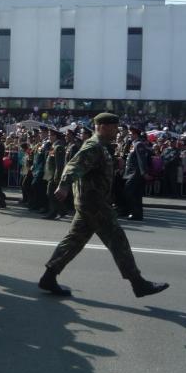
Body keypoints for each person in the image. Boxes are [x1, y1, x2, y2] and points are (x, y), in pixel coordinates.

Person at [38, 112, 169, 299]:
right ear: (103, 127)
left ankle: (49, 277)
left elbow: (94, 168)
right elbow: (74, 165)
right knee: (118, 240)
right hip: (94, 203)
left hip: (90, 202)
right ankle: (138, 283)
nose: (116, 132)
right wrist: (64, 184)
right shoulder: (94, 146)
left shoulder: (102, 147)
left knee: (74, 241)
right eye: (114, 128)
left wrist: (116, 161)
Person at [122, 126, 152, 221]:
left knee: (131, 192)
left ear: (135, 134)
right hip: (132, 173)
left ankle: (135, 213)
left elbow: (141, 160)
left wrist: (144, 173)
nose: (129, 135)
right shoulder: (133, 144)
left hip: (135, 173)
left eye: (131, 134)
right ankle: (137, 214)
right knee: (135, 194)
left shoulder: (138, 144)